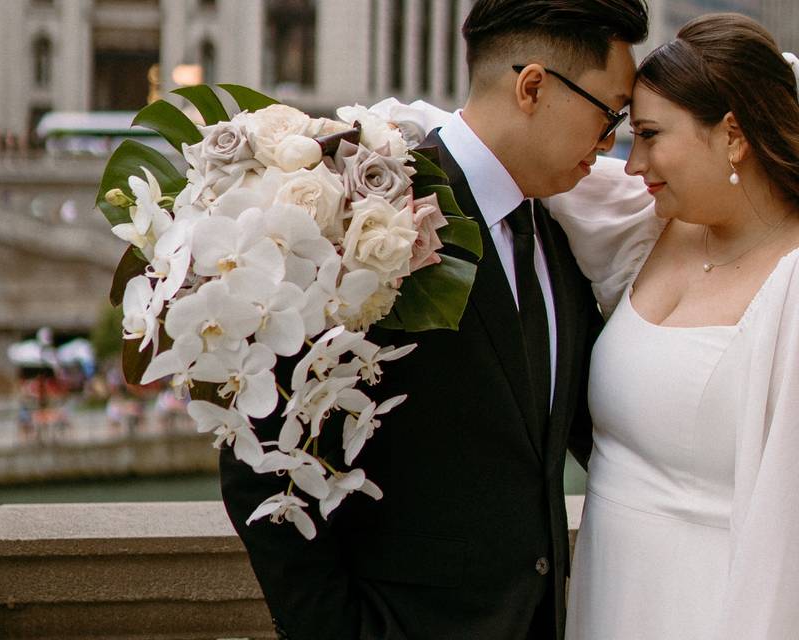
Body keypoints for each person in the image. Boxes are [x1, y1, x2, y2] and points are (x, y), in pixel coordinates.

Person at [217, 2, 648, 639]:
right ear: (533, 86)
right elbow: (260, 454)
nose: (610, 143)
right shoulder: (366, 210)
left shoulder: (558, 229)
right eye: (608, 114)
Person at [540, 13, 799, 639]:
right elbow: (493, 149)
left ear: (732, 134)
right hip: (605, 600)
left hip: (713, 612)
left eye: (652, 135)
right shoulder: (649, 222)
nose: (635, 164)